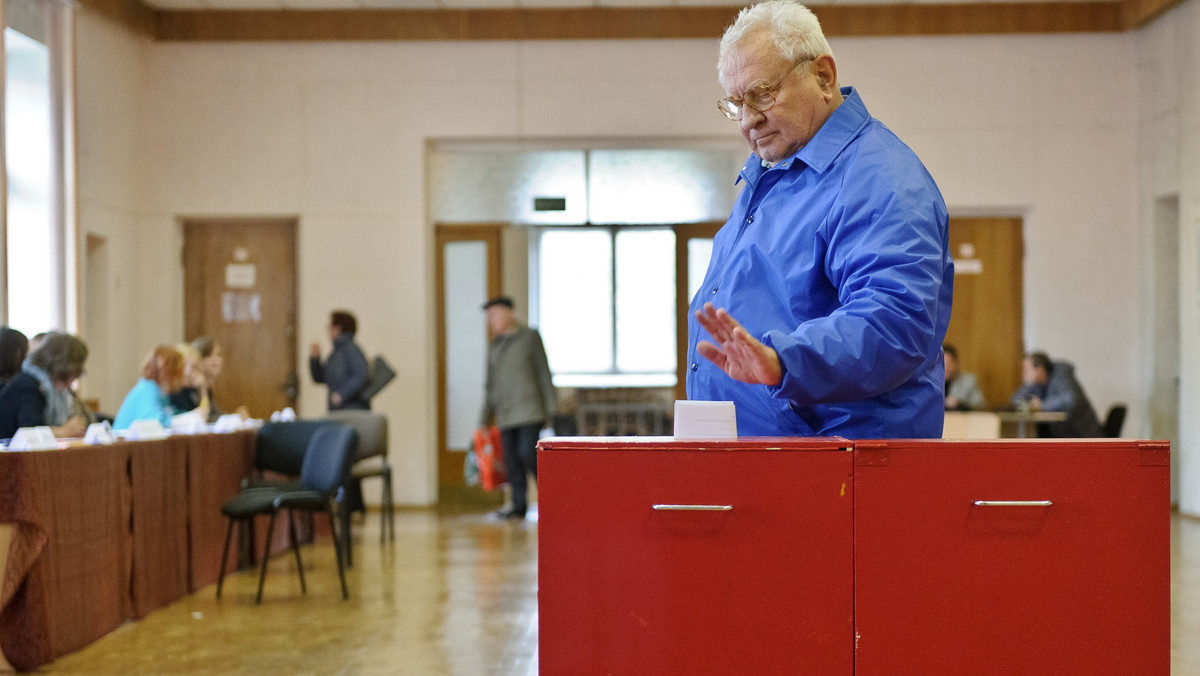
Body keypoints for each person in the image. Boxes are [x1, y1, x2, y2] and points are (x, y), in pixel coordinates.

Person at [687, 0, 953, 438]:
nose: (749, 120)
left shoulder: (879, 179)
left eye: (762, 94)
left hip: (840, 471)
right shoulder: (776, 176)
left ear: (823, 77)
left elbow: (893, 323)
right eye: (737, 103)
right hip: (768, 462)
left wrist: (783, 361)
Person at [477, 296, 558, 520]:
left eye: (494, 315)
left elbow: (543, 372)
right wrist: (483, 420)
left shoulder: (529, 337)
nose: (491, 320)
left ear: (509, 313)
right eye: (489, 317)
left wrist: (552, 409)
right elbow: (490, 386)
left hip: (530, 410)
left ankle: (552, 500)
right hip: (505, 414)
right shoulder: (494, 347)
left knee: (527, 455)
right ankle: (518, 504)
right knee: (511, 461)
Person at [0, 332, 89, 439]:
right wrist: (62, 431)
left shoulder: (52, 388)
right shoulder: (28, 384)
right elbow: (30, 431)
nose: (72, 381)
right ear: (64, 367)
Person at [1010, 351, 1103, 438]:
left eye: (1027, 370)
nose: (1023, 374)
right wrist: (1028, 405)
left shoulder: (1061, 375)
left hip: (1082, 436)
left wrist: (1041, 405)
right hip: (1059, 436)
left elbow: (1070, 398)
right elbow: (1016, 398)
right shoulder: (1034, 383)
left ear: (1040, 369)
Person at [113, 345, 185, 431]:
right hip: (123, 442)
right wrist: (188, 418)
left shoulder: (160, 391)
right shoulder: (148, 388)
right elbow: (155, 420)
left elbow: (169, 413)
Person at [310, 310, 370, 411]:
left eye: (330, 326)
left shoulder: (351, 349)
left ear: (338, 328)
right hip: (338, 410)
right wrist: (315, 360)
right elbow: (320, 378)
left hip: (352, 410)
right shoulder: (336, 353)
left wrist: (342, 394)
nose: (328, 330)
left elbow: (361, 375)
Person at [943, 343, 986, 411]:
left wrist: (959, 404)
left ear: (956, 363)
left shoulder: (969, 381)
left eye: (948, 363)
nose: (946, 367)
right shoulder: (931, 383)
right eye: (942, 364)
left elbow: (979, 407)